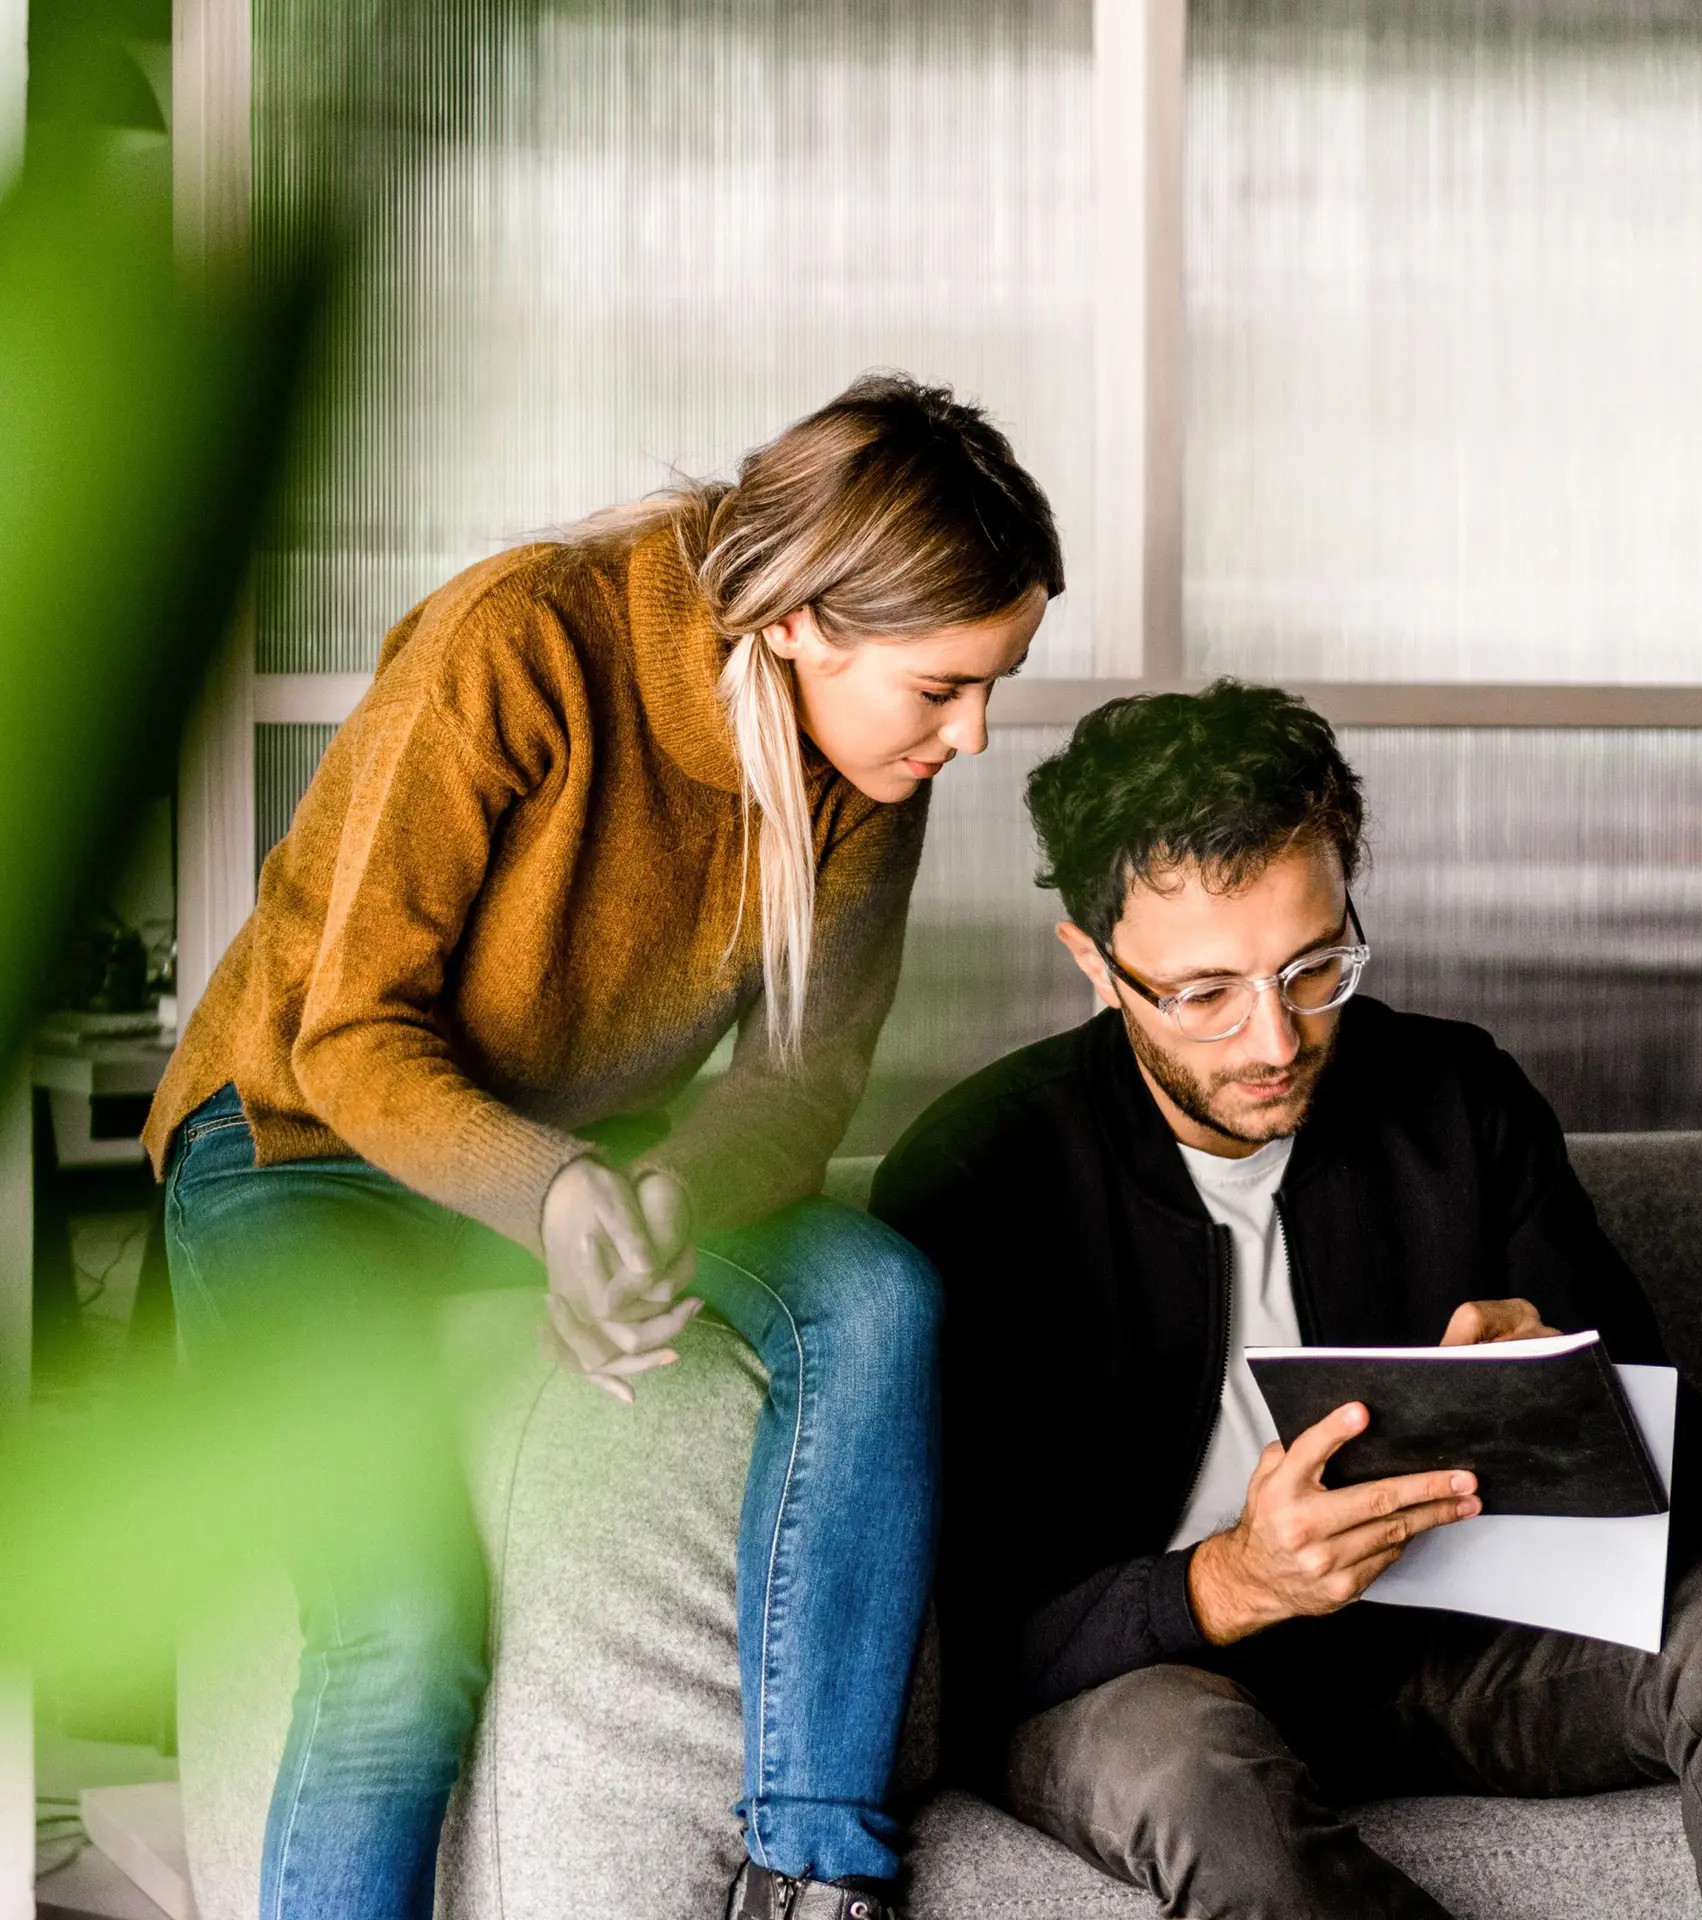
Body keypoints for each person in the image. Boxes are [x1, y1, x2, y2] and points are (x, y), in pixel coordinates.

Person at [145, 373, 1063, 1920]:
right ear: (799, 626)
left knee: (878, 1297)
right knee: (402, 1629)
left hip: (566, 1149)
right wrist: (554, 1194)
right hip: (294, 1143)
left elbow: (796, 1085)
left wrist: (657, 1196)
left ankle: (812, 1872)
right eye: (943, 688)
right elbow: (349, 1037)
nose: (972, 737)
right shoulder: (521, 644)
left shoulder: (864, 768)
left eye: (998, 684)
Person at [869, 680, 1702, 1920]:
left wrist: (1571, 1401)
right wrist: (1227, 1585)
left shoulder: (1457, 1102)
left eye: (1315, 967)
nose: (1274, 1040)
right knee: (1197, 1773)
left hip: (1439, 1646)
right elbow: (949, 1645)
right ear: (1095, 964)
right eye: (1204, 994)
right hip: (1154, 1682)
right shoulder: (978, 1176)